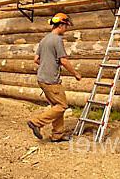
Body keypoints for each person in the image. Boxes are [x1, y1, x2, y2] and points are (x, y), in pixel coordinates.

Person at [27, 13, 82, 142]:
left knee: (56, 106)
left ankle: (57, 135)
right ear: (61, 25)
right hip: (51, 80)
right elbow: (63, 61)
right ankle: (36, 122)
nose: (66, 29)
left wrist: (47, 64)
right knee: (62, 106)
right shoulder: (57, 40)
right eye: (66, 26)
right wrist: (76, 74)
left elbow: (36, 59)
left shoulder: (44, 39)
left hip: (42, 78)